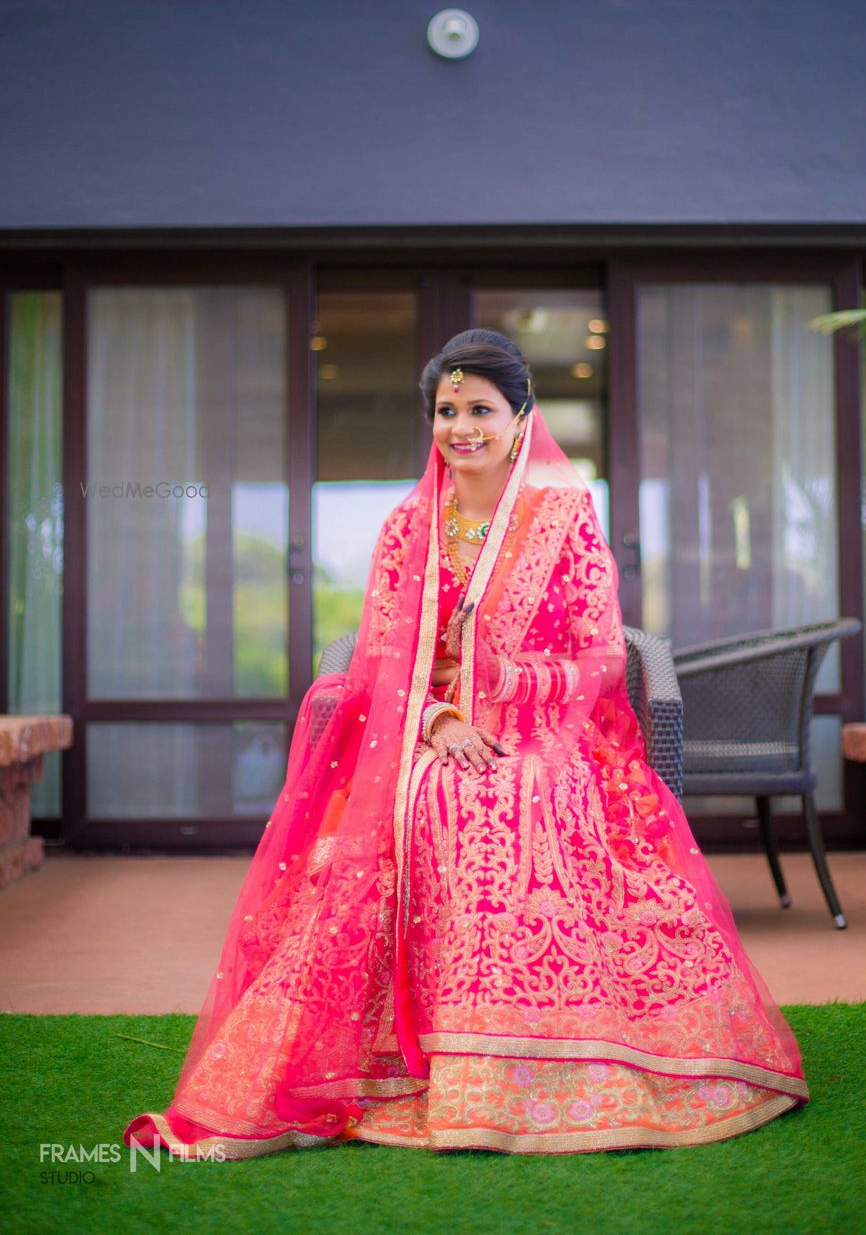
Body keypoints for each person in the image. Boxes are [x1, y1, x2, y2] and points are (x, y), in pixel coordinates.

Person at [123, 329, 808, 1157]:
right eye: (447, 411)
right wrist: (437, 720)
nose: (461, 427)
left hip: (550, 731)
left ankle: (532, 1061)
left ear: (521, 418)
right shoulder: (408, 527)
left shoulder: (564, 517)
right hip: (425, 728)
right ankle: (415, 1056)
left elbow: (599, 654)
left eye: (480, 408)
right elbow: (377, 657)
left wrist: (518, 688)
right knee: (436, 795)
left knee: (515, 794)